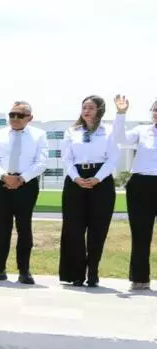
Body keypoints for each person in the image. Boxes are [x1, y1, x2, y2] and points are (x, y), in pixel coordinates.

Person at [0, 101, 48, 284]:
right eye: (12, 115)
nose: (15, 118)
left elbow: (41, 162)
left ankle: (24, 271)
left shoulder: (39, 135)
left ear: (30, 118)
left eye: (20, 115)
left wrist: (21, 178)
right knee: (1, 228)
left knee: (24, 228)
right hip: (1, 183)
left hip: (26, 184)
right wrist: (5, 176)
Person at [58, 95, 119, 288]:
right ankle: (76, 273)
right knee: (73, 229)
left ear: (100, 110)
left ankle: (93, 272)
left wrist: (97, 178)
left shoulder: (109, 131)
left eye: (91, 107)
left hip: (101, 180)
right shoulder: (72, 131)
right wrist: (76, 178)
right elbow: (66, 158)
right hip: (75, 179)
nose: (86, 111)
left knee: (97, 229)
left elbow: (113, 159)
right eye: (84, 107)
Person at [113, 94, 157, 291]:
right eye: (155, 110)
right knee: (140, 234)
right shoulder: (142, 130)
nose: (156, 113)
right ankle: (140, 278)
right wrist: (121, 114)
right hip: (141, 184)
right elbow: (120, 139)